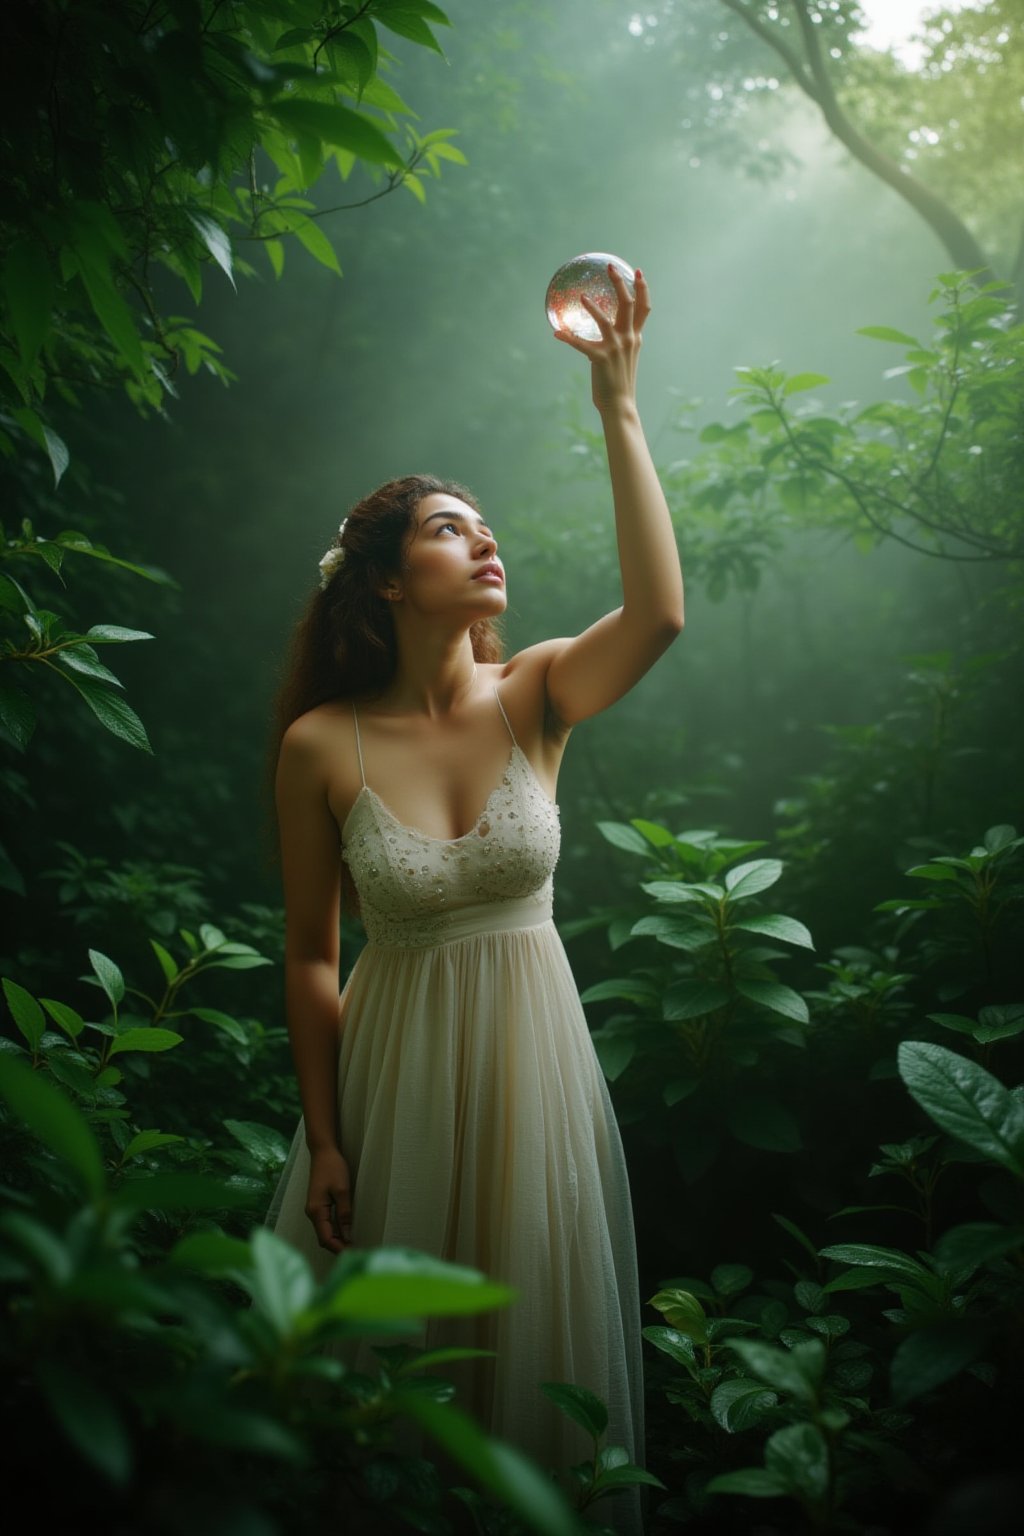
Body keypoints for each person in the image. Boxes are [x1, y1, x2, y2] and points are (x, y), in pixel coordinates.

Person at [266, 266, 683, 1530]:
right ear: (386, 580)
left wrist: (617, 407)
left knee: (526, 1383)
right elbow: (307, 957)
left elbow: (660, 615)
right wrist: (329, 1138)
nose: (484, 539)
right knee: (375, 1407)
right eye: (452, 528)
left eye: (484, 524)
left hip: (528, 1078)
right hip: (391, 1086)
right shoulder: (319, 746)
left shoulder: (537, 696)